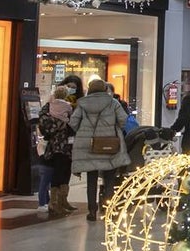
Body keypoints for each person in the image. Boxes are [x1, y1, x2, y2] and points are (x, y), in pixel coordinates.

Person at [70, 78, 130, 221]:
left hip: (89, 146)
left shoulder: (82, 104)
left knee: (91, 178)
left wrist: (84, 132)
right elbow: (123, 119)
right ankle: (108, 208)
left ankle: (91, 210)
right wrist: (114, 129)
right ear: (104, 89)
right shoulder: (113, 103)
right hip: (109, 145)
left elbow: (73, 122)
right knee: (109, 178)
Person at [39, 86, 76, 216]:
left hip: (53, 145)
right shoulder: (69, 108)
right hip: (65, 145)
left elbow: (43, 123)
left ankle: (59, 201)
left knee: (59, 172)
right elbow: (73, 123)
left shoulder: (48, 107)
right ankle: (56, 203)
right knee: (63, 172)